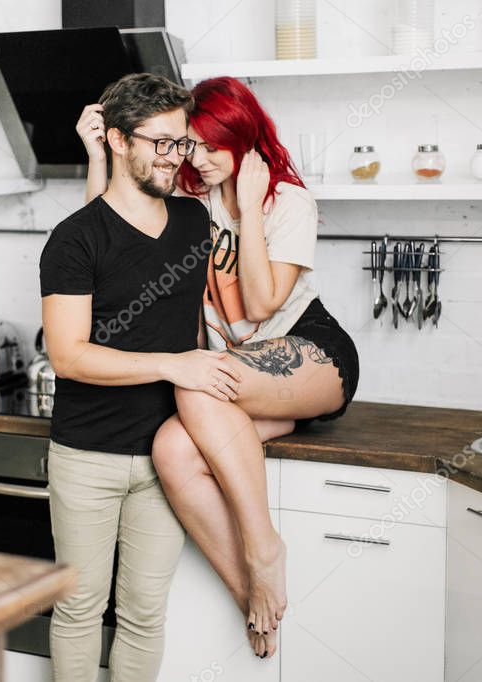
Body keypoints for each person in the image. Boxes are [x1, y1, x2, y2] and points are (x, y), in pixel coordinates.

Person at [76, 76, 360, 659]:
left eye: (212, 145)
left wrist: (249, 209)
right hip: (238, 379)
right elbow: (97, 241)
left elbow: (260, 306)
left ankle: (263, 547)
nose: (198, 159)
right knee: (172, 449)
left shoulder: (288, 201)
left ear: (245, 138)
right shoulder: (184, 204)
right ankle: (251, 593)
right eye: (190, 144)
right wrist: (100, 154)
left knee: (201, 380)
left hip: (311, 353)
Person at [40, 73, 245, 682]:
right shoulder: (73, 240)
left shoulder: (192, 222)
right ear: (120, 142)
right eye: (158, 142)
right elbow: (69, 356)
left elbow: (239, 300)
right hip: (87, 455)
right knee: (78, 610)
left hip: (167, 456)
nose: (174, 156)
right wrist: (172, 364)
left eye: (180, 142)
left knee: (144, 614)